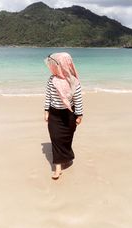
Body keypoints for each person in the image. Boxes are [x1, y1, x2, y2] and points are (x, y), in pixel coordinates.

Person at [44, 52, 83, 180]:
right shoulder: (52, 79)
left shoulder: (73, 81)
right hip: (54, 114)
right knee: (55, 139)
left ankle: (67, 157)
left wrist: (79, 115)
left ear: (62, 66)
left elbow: (78, 99)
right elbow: (48, 96)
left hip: (69, 115)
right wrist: (46, 111)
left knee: (66, 140)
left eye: (54, 64)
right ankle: (57, 168)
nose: (51, 67)